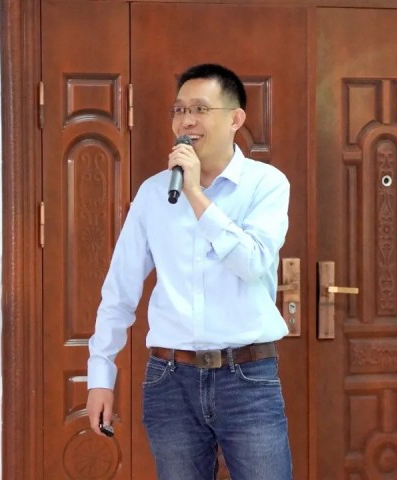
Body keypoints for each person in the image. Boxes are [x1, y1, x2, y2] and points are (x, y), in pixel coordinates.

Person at [86, 63, 293, 480]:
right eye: (179, 110)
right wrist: (100, 374)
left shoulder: (266, 185)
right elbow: (120, 289)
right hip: (170, 380)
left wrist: (195, 193)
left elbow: (252, 263)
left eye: (200, 109)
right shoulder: (153, 193)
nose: (186, 121)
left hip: (247, 378)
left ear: (235, 119)